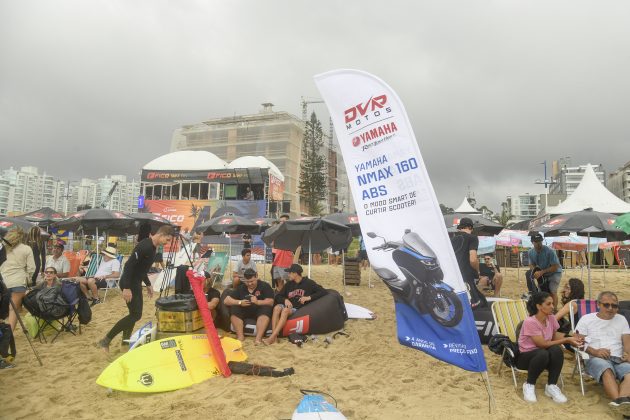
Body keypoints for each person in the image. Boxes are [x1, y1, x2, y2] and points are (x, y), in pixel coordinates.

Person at [96, 225, 175, 352]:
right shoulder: (145, 246)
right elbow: (128, 266)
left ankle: (124, 344)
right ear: (161, 235)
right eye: (168, 240)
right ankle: (106, 340)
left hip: (135, 282)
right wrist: (127, 288)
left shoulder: (153, 248)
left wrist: (148, 284)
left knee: (133, 314)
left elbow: (141, 269)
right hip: (129, 283)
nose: (167, 243)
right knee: (136, 315)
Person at [517, 291, 582, 403]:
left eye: (552, 303)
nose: (553, 306)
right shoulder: (530, 322)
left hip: (543, 356)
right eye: (548, 304)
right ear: (538, 306)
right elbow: (541, 344)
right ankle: (529, 384)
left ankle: (551, 386)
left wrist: (571, 337)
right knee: (543, 352)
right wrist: (566, 340)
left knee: (556, 350)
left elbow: (553, 336)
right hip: (525, 358)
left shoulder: (551, 318)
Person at [575, 291, 630, 407]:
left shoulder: (621, 319)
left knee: (629, 372)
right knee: (606, 369)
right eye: (606, 305)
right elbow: (577, 342)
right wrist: (595, 351)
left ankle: (621, 403)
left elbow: (627, 343)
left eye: (614, 306)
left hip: (619, 358)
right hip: (595, 357)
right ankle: (620, 402)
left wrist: (627, 353)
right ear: (598, 304)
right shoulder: (586, 319)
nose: (610, 308)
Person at [264, 264, 327, 345]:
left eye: (289, 273)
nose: (288, 275)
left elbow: (323, 291)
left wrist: (308, 297)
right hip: (288, 305)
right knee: (276, 308)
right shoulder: (289, 284)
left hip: (297, 309)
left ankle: (272, 337)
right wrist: (285, 300)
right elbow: (278, 296)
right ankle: (275, 338)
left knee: (285, 310)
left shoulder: (308, 283)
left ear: (295, 273)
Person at [224, 269, 274, 344]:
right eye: (247, 282)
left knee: (266, 308)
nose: (250, 284)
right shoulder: (241, 287)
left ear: (256, 276)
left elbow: (271, 302)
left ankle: (258, 338)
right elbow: (226, 300)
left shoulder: (264, 286)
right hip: (245, 310)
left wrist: (258, 302)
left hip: (259, 310)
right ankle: (240, 336)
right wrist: (240, 302)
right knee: (234, 308)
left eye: (252, 281)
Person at [0, 228, 35, 331]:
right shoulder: (26, 248)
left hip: (3, 282)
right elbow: (31, 268)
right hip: (18, 282)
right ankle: (9, 333)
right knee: (13, 310)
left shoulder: (3, 248)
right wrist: (28, 279)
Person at [450, 217, 485, 308]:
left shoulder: (452, 239)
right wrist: (478, 271)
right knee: (476, 304)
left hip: (454, 275)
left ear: (460, 227)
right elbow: (473, 259)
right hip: (466, 275)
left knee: (459, 304)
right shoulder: (472, 238)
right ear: (471, 228)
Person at [528, 233, 563, 310]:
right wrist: (535, 271)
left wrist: (541, 272)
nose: (538, 243)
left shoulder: (550, 251)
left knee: (552, 291)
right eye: (536, 242)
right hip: (543, 273)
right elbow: (531, 264)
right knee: (542, 293)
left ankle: (554, 310)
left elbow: (555, 267)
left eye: (540, 241)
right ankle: (545, 309)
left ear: (542, 241)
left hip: (555, 272)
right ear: (532, 242)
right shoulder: (530, 252)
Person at [271, 214, 293, 293]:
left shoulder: (290, 232)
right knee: (279, 281)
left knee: (289, 281)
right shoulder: (278, 232)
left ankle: (290, 296)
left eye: (283, 221)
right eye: (280, 222)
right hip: (277, 259)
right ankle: (280, 296)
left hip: (286, 261)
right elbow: (273, 244)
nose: (281, 223)